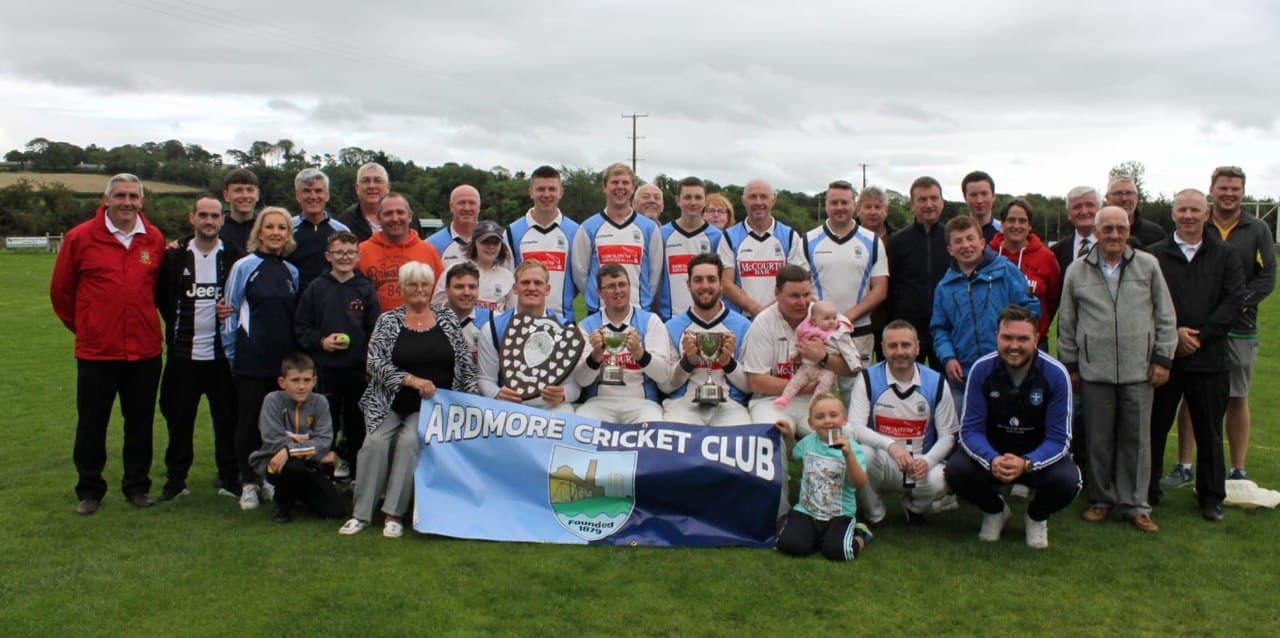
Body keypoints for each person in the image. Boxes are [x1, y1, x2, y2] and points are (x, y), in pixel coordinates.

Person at [51, 173, 167, 514]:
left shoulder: (154, 239)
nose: (127, 202)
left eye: (133, 196)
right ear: (106, 199)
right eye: (120, 196)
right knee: (92, 422)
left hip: (144, 350)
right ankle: (89, 490)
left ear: (142, 201)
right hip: (97, 351)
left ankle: (136, 486)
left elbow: (159, 290)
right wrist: (88, 327)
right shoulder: (80, 237)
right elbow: (61, 292)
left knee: (140, 422)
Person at [1057, 206, 1174, 533]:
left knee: (1137, 442)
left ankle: (1136, 505)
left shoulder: (1148, 265)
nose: (1114, 235)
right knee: (1098, 441)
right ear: (1096, 231)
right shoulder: (1077, 271)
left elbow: (1165, 316)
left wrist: (1163, 358)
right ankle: (1101, 500)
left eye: (1120, 228)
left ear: (1128, 230)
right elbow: (1066, 323)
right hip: (1095, 373)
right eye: (1107, 229)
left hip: (1140, 371)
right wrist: (1071, 366)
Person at [340, 261, 478, 537]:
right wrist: (410, 380)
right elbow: (374, 363)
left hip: (432, 405)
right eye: (412, 284)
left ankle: (394, 514)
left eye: (424, 284)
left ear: (432, 288)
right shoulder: (388, 321)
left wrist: (473, 403)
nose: (419, 289)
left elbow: (464, 364)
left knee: (408, 442)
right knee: (374, 443)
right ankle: (361, 514)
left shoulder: (448, 320)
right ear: (402, 289)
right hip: (390, 401)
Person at [1147, 189, 1246, 522]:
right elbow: (1147, 302)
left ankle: (1210, 497)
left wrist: (1200, 337)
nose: (1188, 215)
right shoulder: (1154, 255)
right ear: (1172, 214)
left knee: (1209, 431)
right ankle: (1148, 490)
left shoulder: (1225, 255)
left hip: (1209, 358)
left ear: (1207, 213)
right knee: (1155, 427)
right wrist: (1173, 335)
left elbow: (1234, 300)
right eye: (1182, 210)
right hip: (1165, 356)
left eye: (1195, 210)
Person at [946, 306, 1080, 548]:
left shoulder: (1056, 374)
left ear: (1036, 340)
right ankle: (995, 510)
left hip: (1036, 457)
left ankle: (1037, 517)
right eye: (1007, 338)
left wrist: (1027, 463)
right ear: (996, 336)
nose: (1014, 345)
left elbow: (1060, 439)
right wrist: (991, 459)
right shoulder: (981, 369)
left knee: (1069, 481)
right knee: (956, 470)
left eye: (1022, 339)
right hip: (994, 453)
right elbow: (970, 430)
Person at [155, 193, 243, 501]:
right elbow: (162, 299)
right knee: (179, 422)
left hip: (221, 359)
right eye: (203, 215)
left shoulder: (233, 255)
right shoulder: (175, 256)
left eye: (215, 216)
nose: (209, 221)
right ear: (192, 218)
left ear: (222, 219)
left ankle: (230, 479)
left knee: (226, 420)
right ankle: (176, 481)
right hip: (183, 356)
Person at [223, 206, 301, 511]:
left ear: (288, 234)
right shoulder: (245, 266)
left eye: (282, 228)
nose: (276, 233)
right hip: (251, 357)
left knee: (276, 423)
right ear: (260, 231)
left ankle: (270, 477)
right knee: (248, 422)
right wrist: (232, 352)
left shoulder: (290, 271)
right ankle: (247, 483)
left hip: (282, 361)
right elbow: (229, 310)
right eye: (270, 227)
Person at [848, 321, 958, 525]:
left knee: (939, 479)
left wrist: (928, 461)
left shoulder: (937, 382)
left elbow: (947, 436)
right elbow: (855, 427)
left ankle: (914, 508)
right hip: (883, 460)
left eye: (906, 345)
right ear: (882, 349)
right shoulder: (867, 378)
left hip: (917, 463)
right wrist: (890, 447)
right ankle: (875, 513)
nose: (900, 351)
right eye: (893, 346)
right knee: (860, 455)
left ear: (917, 347)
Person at [1204, 166, 1275, 481]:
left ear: (1243, 192)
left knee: (1237, 396)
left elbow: (1268, 276)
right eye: (1223, 188)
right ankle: (1184, 466)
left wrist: (1237, 304)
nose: (1229, 194)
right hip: (1201, 326)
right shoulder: (1198, 222)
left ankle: (1238, 468)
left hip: (1240, 326)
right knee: (1194, 398)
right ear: (1212, 189)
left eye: (1235, 189)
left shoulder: (1257, 228)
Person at [294, 231, 379, 481]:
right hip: (325, 368)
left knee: (357, 423)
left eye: (350, 252)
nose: (345, 257)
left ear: (358, 255)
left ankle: (355, 473)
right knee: (325, 423)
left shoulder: (365, 289)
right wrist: (322, 342)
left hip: (356, 370)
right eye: (339, 252)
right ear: (328, 256)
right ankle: (323, 475)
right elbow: (301, 326)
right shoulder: (316, 289)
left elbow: (375, 330)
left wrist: (368, 362)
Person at [931, 216, 1040, 408]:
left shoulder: (1005, 271)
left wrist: (1017, 346)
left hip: (1008, 371)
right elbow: (940, 329)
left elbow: (1030, 310)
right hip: (964, 376)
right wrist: (948, 357)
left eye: (970, 238)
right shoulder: (944, 287)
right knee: (963, 432)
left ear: (982, 242)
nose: (966, 245)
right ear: (950, 250)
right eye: (958, 241)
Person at [743, 266, 858, 435]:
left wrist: (824, 357)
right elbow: (756, 381)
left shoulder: (827, 316)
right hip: (771, 400)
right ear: (777, 293)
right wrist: (803, 387)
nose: (803, 302)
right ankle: (789, 445)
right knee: (770, 432)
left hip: (818, 400)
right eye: (794, 296)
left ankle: (818, 457)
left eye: (806, 295)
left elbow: (853, 369)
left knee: (843, 434)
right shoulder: (763, 322)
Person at [773, 393, 875, 561]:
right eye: (820, 417)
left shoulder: (853, 448)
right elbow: (794, 454)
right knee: (789, 545)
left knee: (839, 552)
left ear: (844, 419)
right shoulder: (808, 441)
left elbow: (860, 482)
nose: (827, 421)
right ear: (811, 423)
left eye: (833, 415)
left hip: (839, 514)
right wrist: (789, 435)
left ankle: (861, 536)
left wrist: (848, 456)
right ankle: (811, 535)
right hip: (807, 511)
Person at [248, 353, 345, 524]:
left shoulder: (320, 402)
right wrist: (308, 449)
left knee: (335, 510)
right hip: (276, 463)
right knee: (294, 467)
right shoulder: (272, 401)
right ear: (282, 382)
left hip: (310, 465)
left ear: (314, 381)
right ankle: (282, 504)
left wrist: (289, 450)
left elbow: (324, 441)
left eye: (307, 380)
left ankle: (299, 495)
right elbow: (273, 441)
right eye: (295, 380)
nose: (301, 386)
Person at [477, 260, 581, 414]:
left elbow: (574, 385)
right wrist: (496, 393)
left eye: (538, 283)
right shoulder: (492, 328)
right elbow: (486, 379)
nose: (531, 288)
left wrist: (563, 394)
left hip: (551, 406)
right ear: (515, 288)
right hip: (508, 405)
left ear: (547, 289)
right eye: (525, 282)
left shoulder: (567, 329)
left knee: (567, 417)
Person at [806, 179, 887, 375]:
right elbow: (801, 288)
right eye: (834, 203)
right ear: (826, 205)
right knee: (817, 396)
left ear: (854, 205)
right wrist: (825, 321)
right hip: (819, 334)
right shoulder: (807, 240)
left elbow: (880, 289)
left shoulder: (873, 241)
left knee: (858, 396)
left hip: (858, 332)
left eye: (845, 202)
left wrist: (843, 320)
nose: (840, 207)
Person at [662, 253, 753, 426]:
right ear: (688, 285)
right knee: (673, 440)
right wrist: (688, 362)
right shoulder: (671, 327)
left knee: (741, 441)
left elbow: (749, 387)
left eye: (711, 279)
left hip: (730, 407)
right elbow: (666, 386)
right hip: (683, 406)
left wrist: (728, 363)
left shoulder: (743, 326)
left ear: (721, 285)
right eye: (698, 280)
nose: (705, 286)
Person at [574, 265, 674, 422]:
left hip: (642, 404)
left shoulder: (650, 321)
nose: (618, 291)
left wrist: (640, 354)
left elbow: (663, 375)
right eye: (610, 286)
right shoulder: (587, 326)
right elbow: (581, 380)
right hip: (598, 403)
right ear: (599, 293)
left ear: (630, 287)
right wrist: (595, 355)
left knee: (652, 426)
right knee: (582, 424)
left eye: (622, 284)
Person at [571, 163, 663, 314]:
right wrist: (597, 298)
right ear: (604, 187)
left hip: (638, 311)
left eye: (625, 183)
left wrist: (640, 299)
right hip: (599, 312)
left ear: (633, 188)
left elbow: (655, 273)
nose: (620, 187)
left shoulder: (649, 228)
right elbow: (580, 272)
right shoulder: (588, 227)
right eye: (614, 182)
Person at [718, 179, 809, 318]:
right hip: (741, 320)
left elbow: (797, 283)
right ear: (743, 200)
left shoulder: (790, 236)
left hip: (780, 318)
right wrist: (754, 308)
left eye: (764, 196)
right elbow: (725, 282)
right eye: (752, 197)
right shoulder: (729, 236)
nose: (758, 202)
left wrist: (768, 313)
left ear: (773, 200)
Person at [886, 176, 950, 367]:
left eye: (934, 198)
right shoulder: (897, 241)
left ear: (942, 202)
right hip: (908, 329)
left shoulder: (952, 239)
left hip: (945, 329)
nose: (929, 204)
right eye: (922, 199)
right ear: (912, 204)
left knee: (945, 387)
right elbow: (890, 286)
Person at [506, 165, 580, 316]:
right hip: (522, 320)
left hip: (562, 321)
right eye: (540, 189)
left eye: (552, 189)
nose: (546, 194)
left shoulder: (576, 231)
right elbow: (507, 277)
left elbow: (580, 278)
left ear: (561, 193)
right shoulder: (512, 232)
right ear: (531, 192)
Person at [989, 199, 1061, 346]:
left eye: (1022, 221)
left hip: (1034, 342)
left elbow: (1052, 301)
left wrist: (1039, 327)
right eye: (1011, 220)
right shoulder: (988, 254)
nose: (1016, 226)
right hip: (993, 343)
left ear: (1029, 226)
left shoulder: (1046, 257)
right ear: (1002, 224)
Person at [357, 192, 443, 311]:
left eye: (400, 212)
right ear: (378, 218)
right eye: (388, 213)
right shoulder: (362, 252)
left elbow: (440, 294)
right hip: (373, 327)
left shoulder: (428, 251)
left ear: (410, 216)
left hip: (419, 325)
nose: (395, 218)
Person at [657, 176, 724, 320]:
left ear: (705, 201)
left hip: (706, 318)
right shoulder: (662, 234)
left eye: (698, 197)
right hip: (670, 318)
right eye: (687, 197)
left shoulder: (716, 237)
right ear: (678, 200)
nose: (693, 202)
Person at [772, 301, 855, 408]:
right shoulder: (806, 329)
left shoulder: (838, 333)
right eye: (827, 319)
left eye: (834, 318)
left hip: (826, 369)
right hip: (807, 367)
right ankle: (785, 397)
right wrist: (794, 353)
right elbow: (796, 341)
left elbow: (847, 353)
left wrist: (825, 355)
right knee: (796, 380)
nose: (831, 322)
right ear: (814, 321)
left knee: (826, 382)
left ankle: (815, 403)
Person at [287, 168, 351, 292]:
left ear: (327, 195)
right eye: (306, 191)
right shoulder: (286, 229)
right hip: (295, 304)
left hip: (331, 301)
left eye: (318, 191)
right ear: (297, 195)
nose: (313, 196)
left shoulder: (342, 231)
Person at [434, 220, 514, 312]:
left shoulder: (508, 276)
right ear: (474, 243)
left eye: (495, 242)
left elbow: (511, 313)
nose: (491, 246)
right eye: (485, 242)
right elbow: (435, 307)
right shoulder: (453, 270)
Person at [856, 186, 897, 360]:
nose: (873, 212)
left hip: (889, 318)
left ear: (886, 211)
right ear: (858, 211)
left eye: (878, 207)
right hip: (856, 319)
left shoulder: (898, 239)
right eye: (867, 207)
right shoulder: (848, 239)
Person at [338, 162, 423, 242]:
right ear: (357, 188)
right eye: (366, 181)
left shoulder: (409, 219)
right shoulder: (344, 224)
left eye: (378, 180)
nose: (372, 186)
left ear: (388, 187)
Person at [427, 184, 487, 276]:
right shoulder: (432, 245)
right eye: (461, 203)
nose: (467, 208)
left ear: (479, 207)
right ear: (451, 207)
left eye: (472, 203)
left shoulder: (494, 243)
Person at [1050, 186, 1102, 285]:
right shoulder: (1056, 252)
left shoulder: (1114, 245)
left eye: (1090, 205)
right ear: (1069, 214)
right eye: (1077, 207)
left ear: (1100, 209)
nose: (1084, 211)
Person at [442, 261, 490, 362]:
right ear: (446, 290)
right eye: (459, 287)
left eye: (472, 287)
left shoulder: (493, 321)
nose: (466, 292)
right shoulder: (430, 320)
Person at [1104, 172, 1165, 247]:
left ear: (1137, 197)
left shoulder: (1155, 233)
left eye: (1129, 193)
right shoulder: (1096, 231)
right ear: (1107, 198)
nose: (1124, 198)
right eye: (1118, 193)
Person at [219, 168, 260, 253]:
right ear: (226, 195)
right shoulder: (217, 228)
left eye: (250, 190)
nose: (245, 195)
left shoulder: (266, 228)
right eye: (238, 190)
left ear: (257, 195)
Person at [961, 170, 1001, 241]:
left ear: (993, 196)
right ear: (965, 198)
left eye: (984, 194)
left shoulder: (1004, 232)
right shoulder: (955, 234)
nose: (979, 200)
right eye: (973, 195)